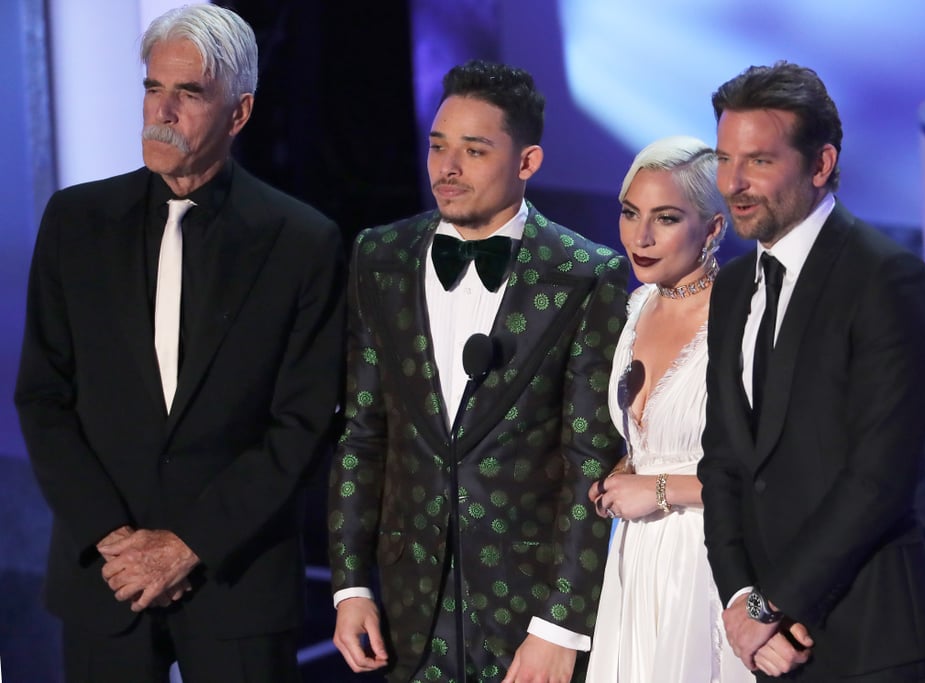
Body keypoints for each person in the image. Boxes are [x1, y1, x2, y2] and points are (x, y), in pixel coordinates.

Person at [14, 5, 344, 681]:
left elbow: (304, 422)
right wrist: (116, 541)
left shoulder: (302, 242)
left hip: (237, 582)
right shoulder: (75, 221)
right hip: (104, 578)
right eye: (151, 88)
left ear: (239, 112)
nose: (161, 110)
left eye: (188, 93)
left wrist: (189, 544)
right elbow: (44, 397)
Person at [327, 60, 628, 682]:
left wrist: (560, 624)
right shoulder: (379, 256)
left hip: (528, 611)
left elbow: (589, 461)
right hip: (408, 607)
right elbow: (362, 432)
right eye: (438, 146)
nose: (448, 167)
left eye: (473, 149)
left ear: (527, 162)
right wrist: (350, 585)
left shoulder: (584, 273)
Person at [698, 61, 925, 680]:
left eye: (760, 162)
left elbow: (878, 479)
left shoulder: (886, 280)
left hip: (879, 640)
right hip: (775, 646)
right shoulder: (735, 286)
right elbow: (723, 461)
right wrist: (741, 602)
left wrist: (769, 606)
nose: (734, 183)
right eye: (724, 159)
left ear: (820, 165)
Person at [584, 136, 753, 683]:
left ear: (713, 229)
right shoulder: (636, 305)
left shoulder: (741, 317)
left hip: (709, 559)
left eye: (666, 218)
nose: (641, 236)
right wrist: (624, 472)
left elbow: (769, 474)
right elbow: (649, 440)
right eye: (630, 213)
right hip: (636, 556)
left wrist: (658, 490)